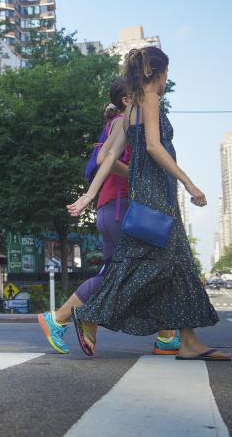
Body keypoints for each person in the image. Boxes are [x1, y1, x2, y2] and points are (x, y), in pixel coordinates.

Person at [67, 47, 229, 361]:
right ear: (158, 72)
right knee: (158, 265)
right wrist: (189, 182)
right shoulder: (150, 99)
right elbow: (154, 147)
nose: (167, 80)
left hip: (147, 193)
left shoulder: (128, 111)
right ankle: (90, 313)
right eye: (166, 73)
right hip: (156, 193)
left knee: (175, 265)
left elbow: (109, 157)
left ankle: (189, 342)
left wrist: (89, 195)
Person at [39, 78, 179, 356]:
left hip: (117, 207)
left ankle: (166, 335)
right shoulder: (121, 122)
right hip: (122, 207)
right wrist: (140, 176)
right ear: (127, 100)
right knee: (142, 269)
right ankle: (60, 318)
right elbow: (106, 159)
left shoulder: (126, 120)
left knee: (147, 268)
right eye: (139, 92)